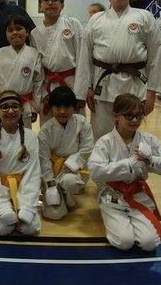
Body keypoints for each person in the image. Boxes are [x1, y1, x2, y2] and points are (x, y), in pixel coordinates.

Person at [88, 93, 161, 251]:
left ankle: (133, 220)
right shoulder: (105, 142)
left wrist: (151, 161)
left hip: (138, 196)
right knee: (124, 242)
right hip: (112, 196)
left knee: (149, 243)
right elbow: (95, 171)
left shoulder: (148, 140)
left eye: (139, 116)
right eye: (129, 116)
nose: (134, 120)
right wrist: (130, 163)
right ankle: (111, 216)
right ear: (115, 115)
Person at [86, 0, 161, 141]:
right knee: (100, 134)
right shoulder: (96, 19)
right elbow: (86, 57)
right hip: (103, 85)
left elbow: (156, 56)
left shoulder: (144, 17)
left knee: (130, 134)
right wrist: (88, 87)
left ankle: (129, 166)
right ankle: (102, 167)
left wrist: (151, 94)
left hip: (134, 87)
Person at [0, 90, 41, 235]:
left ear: (22, 110)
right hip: (0, 192)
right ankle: (2, 208)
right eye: (5, 107)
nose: (10, 111)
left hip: (23, 191)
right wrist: (2, 208)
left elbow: (33, 174)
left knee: (29, 228)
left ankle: (24, 208)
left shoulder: (31, 137)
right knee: (3, 229)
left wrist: (25, 207)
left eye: (15, 106)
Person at [30, 0, 89, 124]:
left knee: (75, 127)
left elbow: (83, 58)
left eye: (55, 0)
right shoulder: (35, 33)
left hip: (72, 84)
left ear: (62, 5)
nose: (50, 3)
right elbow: (36, 67)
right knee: (49, 128)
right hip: (48, 87)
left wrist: (80, 94)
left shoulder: (73, 24)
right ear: (40, 6)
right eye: (46, 0)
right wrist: (42, 94)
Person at [38, 86, 93, 220]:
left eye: (67, 107)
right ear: (51, 108)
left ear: (74, 107)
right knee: (55, 214)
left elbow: (87, 148)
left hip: (73, 169)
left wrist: (72, 163)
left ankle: (65, 191)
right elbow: (43, 159)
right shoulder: (46, 130)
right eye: (57, 107)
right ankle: (56, 191)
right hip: (52, 170)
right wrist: (50, 184)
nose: (62, 111)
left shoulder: (82, 123)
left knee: (71, 182)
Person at [0, 14, 44, 129]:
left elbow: (38, 82)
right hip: (3, 104)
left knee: (24, 138)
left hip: (24, 105)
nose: (14, 33)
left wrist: (35, 106)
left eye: (19, 29)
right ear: (6, 34)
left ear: (27, 32)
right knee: (2, 138)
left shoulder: (34, 54)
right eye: (10, 30)